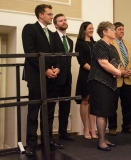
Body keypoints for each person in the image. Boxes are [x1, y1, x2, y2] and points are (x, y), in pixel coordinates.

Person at [22, 4, 63, 156]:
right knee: (33, 112)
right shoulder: (29, 29)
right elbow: (30, 52)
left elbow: (58, 54)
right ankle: (31, 145)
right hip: (36, 78)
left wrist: (57, 69)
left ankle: (48, 140)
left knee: (50, 112)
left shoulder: (53, 35)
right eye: (50, 14)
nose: (52, 17)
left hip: (52, 78)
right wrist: (45, 70)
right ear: (41, 15)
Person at [88, 21, 121, 151]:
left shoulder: (112, 47)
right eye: (112, 30)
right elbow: (103, 63)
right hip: (99, 82)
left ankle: (104, 138)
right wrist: (117, 72)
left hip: (110, 83)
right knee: (101, 112)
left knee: (106, 111)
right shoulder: (99, 45)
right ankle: (101, 141)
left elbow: (116, 62)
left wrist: (116, 72)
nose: (114, 31)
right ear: (104, 32)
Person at [108, 22, 131, 136]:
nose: (122, 31)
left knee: (128, 105)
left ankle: (126, 126)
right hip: (115, 79)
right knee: (112, 105)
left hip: (128, 79)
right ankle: (112, 127)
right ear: (114, 31)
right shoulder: (110, 44)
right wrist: (120, 71)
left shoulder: (128, 44)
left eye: (123, 29)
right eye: (119, 29)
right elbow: (110, 61)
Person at [52, 13, 75, 141]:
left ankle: (63, 132)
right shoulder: (52, 37)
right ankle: (48, 135)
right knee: (50, 107)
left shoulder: (70, 41)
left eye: (65, 20)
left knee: (65, 106)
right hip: (54, 77)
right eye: (60, 21)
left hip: (67, 78)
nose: (64, 22)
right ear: (55, 24)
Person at [75, 21, 98, 139]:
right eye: (89, 28)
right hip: (85, 74)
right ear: (83, 30)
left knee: (93, 102)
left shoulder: (95, 43)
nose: (92, 30)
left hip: (95, 76)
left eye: (92, 28)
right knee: (85, 100)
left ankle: (93, 129)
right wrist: (92, 70)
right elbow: (81, 61)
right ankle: (86, 128)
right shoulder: (79, 43)